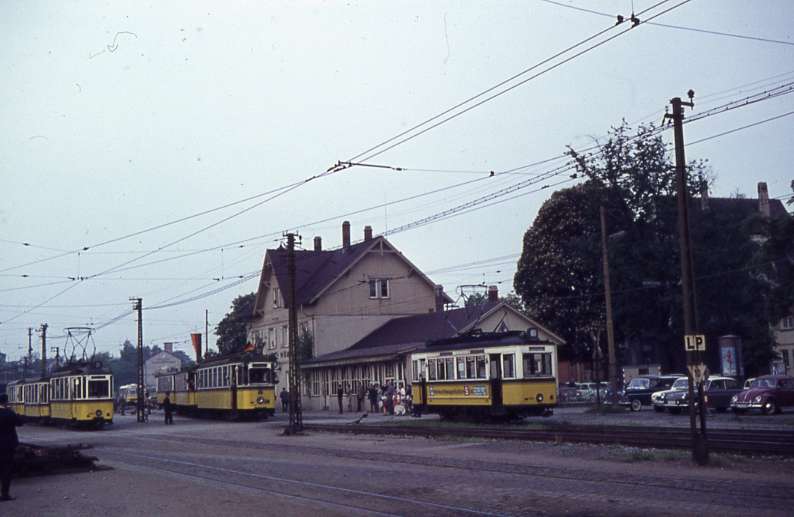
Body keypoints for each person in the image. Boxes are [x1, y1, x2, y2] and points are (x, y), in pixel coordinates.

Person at [0, 393, 23, 501]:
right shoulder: (9, 413)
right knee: (6, 470)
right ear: (5, 402)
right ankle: (5, 494)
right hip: (7, 445)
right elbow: (20, 423)